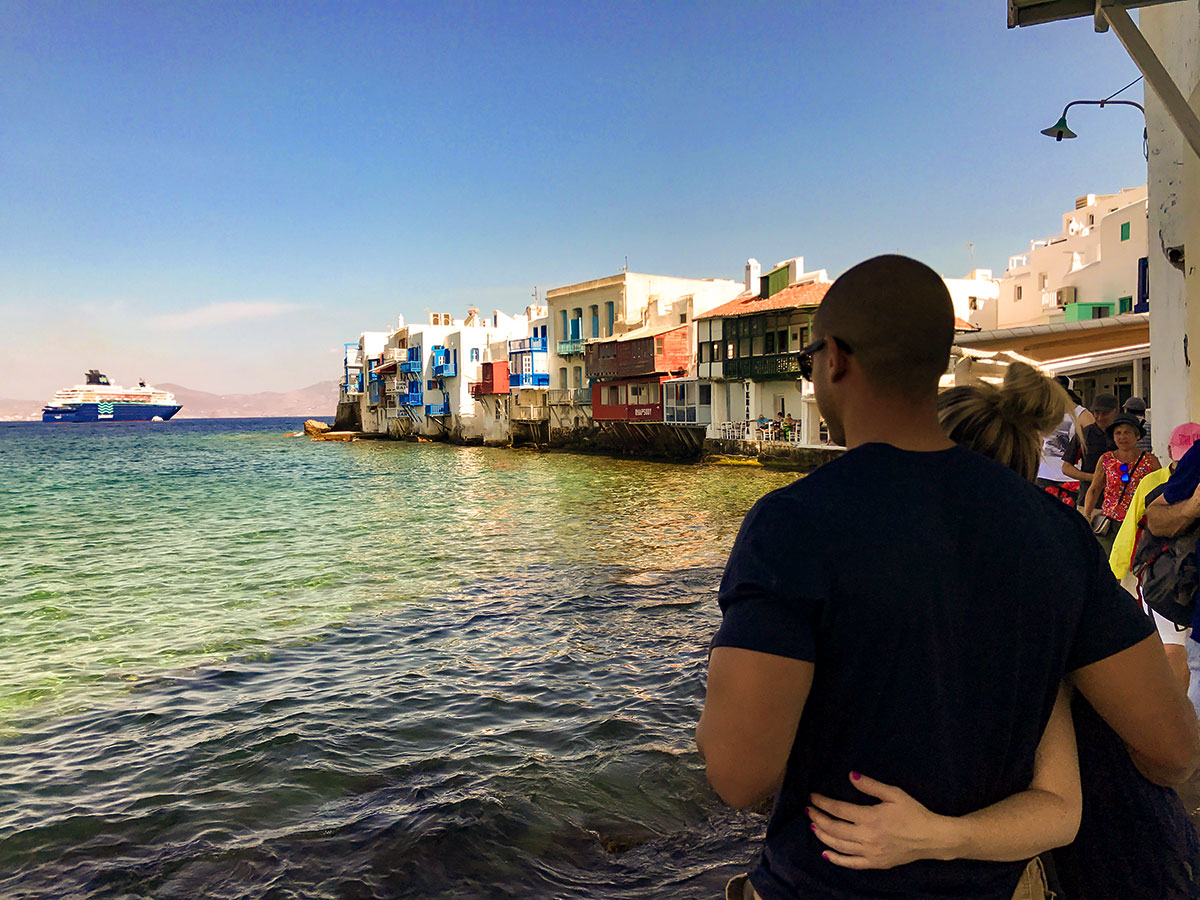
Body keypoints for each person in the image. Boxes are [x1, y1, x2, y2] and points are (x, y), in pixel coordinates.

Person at [696, 255, 1198, 900]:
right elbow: (1172, 748)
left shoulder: (794, 522)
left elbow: (739, 776)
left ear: (836, 359)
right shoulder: (1053, 530)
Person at [804, 368, 1200, 900]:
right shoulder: (1051, 577)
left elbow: (748, 770)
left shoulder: (852, 580)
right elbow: (1169, 753)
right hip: (1120, 855)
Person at [1082, 413, 1161, 554]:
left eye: (1127, 433)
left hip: (1139, 523)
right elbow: (1094, 489)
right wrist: (1087, 515)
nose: (1122, 437)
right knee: (1108, 565)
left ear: (1137, 436)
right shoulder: (1106, 459)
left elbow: (1160, 490)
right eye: (1117, 433)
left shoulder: (1150, 461)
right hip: (1110, 524)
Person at [1035, 377, 1091, 508]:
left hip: (1070, 477)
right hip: (1045, 475)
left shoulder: (1082, 414)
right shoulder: (1044, 412)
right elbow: (1038, 442)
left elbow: (1091, 444)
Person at [1063, 392, 1119, 508]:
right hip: (1088, 501)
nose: (1099, 417)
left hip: (1119, 501)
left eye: (1105, 414)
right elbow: (1066, 467)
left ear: (1116, 411)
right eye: (1096, 413)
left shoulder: (1122, 433)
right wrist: (1093, 477)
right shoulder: (1084, 434)